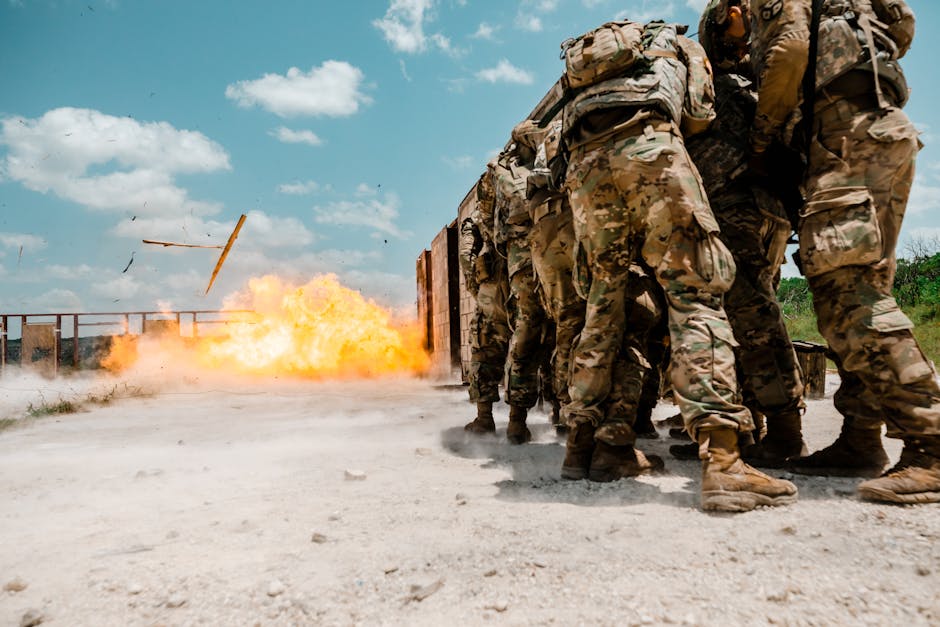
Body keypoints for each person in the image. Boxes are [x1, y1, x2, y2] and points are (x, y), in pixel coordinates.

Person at [559, 19, 797, 510]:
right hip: (651, 149)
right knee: (696, 292)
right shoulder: (678, 45)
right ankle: (724, 461)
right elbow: (700, 114)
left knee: (603, 306)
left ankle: (587, 446)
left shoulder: (584, 71)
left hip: (585, 170)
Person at [747, 0, 939, 503]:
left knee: (848, 295)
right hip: (880, 127)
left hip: (845, 137)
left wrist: (763, 141)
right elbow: (903, 26)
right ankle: (861, 438)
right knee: (866, 287)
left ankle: (930, 442)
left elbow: (789, 50)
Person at [680, 0, 808, 468]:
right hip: (765, 208)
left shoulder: (718, 88)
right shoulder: (750, 86)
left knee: (752, 316)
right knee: (746, 317)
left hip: (737, 206)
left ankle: (785, 431)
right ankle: (747, 427)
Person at [492, 136, 553, 444]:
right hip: (550, 249)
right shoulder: (549, 160)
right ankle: (565, 417)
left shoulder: (504, 172)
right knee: (563, 329)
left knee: (529, 331)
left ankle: (518, 420)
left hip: (523, 259)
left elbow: (495, 231)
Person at [459, 168, 511, 436]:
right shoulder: (526, 202)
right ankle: (521, 422)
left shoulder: (479, 216)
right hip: (527, 285)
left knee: (484, 348)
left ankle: (484, 419)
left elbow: (466, 254)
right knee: (533, 348)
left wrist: (474, 287)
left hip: (492, 289)